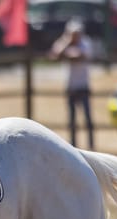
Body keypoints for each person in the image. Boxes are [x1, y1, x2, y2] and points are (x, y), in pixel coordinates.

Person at [50, 19, 94, 150]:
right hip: (70, 86)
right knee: (72, 121)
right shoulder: (64, 42)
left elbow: (79, 55)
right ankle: (74, 147)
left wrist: (67, 52)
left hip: (83, 86)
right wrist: (67, 43)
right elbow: (55, 55)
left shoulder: (86, 43)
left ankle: (91, 146)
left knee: (88, 120)